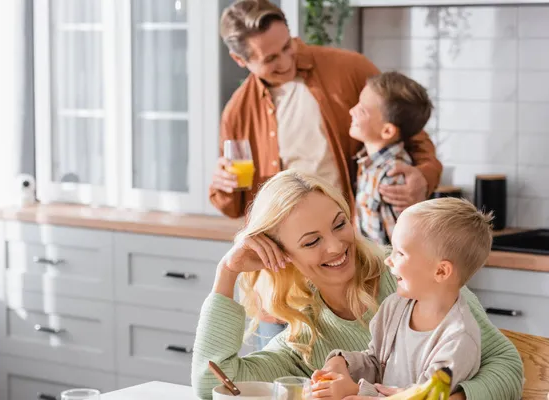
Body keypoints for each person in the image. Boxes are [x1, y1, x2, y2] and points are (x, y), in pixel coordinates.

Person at [210, 0, 442, 346]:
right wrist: (223, 185)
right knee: (285, 381)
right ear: (241, 61)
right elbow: (235, 205)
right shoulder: (238, 111)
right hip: (284, 283)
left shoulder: (349, 69)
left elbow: (411, 135)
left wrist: (422, 176)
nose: (286, 61)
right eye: (270, 59)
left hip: (352, 262)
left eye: (287, 46)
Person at [191, 170, 523, 400]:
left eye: (339, 224)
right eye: (311, 242)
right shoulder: (303, 336)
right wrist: (227, 272)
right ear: (282, 255)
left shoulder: (409, 274)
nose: (335, 247)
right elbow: (213, 386)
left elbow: (507, 366)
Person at [311, 198, 492, 399]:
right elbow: (376, 363)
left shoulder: (458, 340)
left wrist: (356, 391)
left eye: (401, 253)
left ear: (440, 271)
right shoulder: (394, 307)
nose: (389, 259)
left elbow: (421, 397)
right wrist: (342, 362)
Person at [350, 71, 433, 245]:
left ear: (387, 131)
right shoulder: (369, 164)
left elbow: (401, 248)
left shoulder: (392, 176)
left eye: (362, 110)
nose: (351, 111)